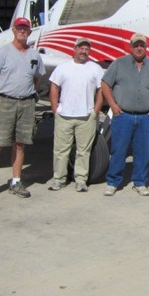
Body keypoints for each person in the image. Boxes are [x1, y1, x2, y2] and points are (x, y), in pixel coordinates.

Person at [0, 17, 45, 204]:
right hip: (5, 102)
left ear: (30, 32)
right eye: (19, 28)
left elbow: (36, 79)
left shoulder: (35, 55)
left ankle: (16, 182)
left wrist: (27, 94)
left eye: (26, 28)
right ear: (13, 30)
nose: (22, 31)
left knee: (20, 144)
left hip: (26, 104)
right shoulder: (2, 52)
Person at [101, 33, 149, 196]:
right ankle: (113, 181)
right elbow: (105, 83)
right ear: (131, 47)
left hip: (146, 117)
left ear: (146, 48)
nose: (139, 48)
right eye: (136, 45)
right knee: (119, 150)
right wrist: (113, 105)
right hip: (123, 116)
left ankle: (140, 182)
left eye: (142, 45)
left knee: (143, 151)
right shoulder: (119, 63)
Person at [48, 37, 104, 193]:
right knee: (60, 151)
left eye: (87, 49)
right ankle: (59, 179)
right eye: (81, 48)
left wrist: (96, 110)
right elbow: (54, 87)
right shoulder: (63, 67)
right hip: (64, 116)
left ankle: (81, 180)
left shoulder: (95, 68)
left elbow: (102, 89)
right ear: (74, 49)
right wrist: (55, 108)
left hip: (86, 117)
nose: (84, 51)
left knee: (83, 151)